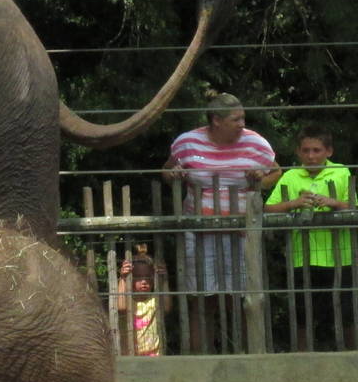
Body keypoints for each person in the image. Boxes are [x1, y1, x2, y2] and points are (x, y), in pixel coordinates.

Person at [160, 92, 280, 352]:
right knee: (202, 300)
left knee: (242, 298)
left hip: (240, 230)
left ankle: (249, 359)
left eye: (243, 118)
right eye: (236, 119)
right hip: (200, 230)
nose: (241, 124)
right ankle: (202, 361)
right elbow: (167, 170)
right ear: (216, 120)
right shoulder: (188, 142)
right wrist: (175, 174)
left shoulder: (255, 142)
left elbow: (276, 171)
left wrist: (260, 179)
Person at [265, 125, 353, 350]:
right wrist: (293, 204)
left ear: (328, 152)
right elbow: (268, 210)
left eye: (316, 150)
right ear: (298, 152)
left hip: (340, 257)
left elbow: (354, 208)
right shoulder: (290, 176)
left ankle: (352, 356)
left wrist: (335, 204)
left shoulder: (342, 172)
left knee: (347, 311)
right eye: (306, 151)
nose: (311, 156)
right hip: (301, 257)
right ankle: (302, 358)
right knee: (302, 312)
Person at [114, 242, 171, 356]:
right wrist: (123, 278)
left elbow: (167, 307)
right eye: (139, 277)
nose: (144, 281)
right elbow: (120, 306)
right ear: (131, 278)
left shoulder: (154, 299)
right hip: (132, 355)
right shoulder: (128, 300)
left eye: (147, 277)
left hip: (155, 354)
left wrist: (164, 279)